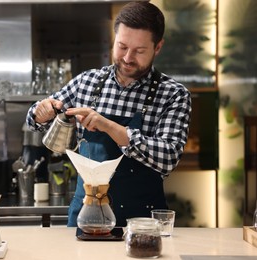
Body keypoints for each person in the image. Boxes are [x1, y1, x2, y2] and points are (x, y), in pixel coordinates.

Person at [26, 1, 191, 227]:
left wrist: (109, 126)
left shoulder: (173, 94)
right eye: (122, 46)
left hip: (142, 225)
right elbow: (35, 121)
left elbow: (168, 157)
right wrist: (40, 112)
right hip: (85, 218)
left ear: (158, 47)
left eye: (139, 51)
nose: (127, 57)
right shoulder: (87, 82)